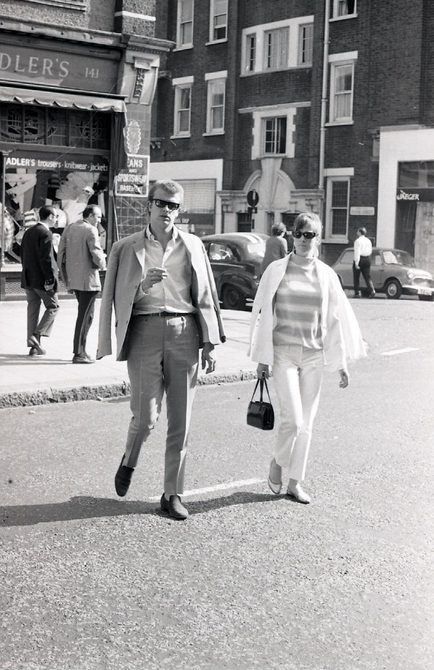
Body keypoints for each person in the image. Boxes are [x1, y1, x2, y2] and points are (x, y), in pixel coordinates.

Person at [97, 179, 226, 520]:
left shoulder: (194, 245)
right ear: (149, 205)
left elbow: (206, 297)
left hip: (185, 331)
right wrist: (141, 287)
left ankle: (172, 494)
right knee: (146, 417)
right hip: (144, 330)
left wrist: (209, 342)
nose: (167, 210)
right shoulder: (125, 248)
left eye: (174, 206)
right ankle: (130, 459)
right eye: (161, 203)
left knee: (180, 422)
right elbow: (112, 298)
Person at [249, 212, 366, 504]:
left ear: (318, 236)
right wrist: (262, 359)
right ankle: (277, 461)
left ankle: (295, 482)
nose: (303, 239)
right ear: (292, 235)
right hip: (283, 353)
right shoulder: (277, 270)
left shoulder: (326, 275)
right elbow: (264, 317)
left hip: (314, 354)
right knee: (294, 419)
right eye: (299, 233)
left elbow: (337, 319)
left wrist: (341, 364)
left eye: (309, 234)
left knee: (307, 423)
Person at [57, 205, 106, 364]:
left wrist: (66, 276)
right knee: (85, 317)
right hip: (89, 280)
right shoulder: (91, 230)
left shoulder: (70, 227)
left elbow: (61, 254)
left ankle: (81, 350)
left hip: (75, 279)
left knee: (85, 315)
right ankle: (79, 352)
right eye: (98, 217)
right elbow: (97, 254)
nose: (99, 220)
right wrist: (103, 264)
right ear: (90, 215)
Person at [20, 205, 60, 357]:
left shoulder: (29, 231)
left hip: (28, 278)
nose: (56, 219)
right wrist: (50, 279)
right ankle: (36, 336)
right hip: (42, 280)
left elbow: (22, 254)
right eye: (55, 216)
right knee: (54, 306)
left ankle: (34, 347)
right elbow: (47, 260)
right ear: (50, 216)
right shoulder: (46, 233)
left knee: (33, 310)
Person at [353, 227, 375, 298]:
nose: (357, 232)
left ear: (359, 232)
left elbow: (357, 252)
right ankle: (372, 290)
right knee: (367, 277)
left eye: (357, 231)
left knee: (356, 277)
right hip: (367, 258)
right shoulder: (368, 241)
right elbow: (370, 251)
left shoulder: (357, 241)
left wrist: (356, 262)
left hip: (360, 259)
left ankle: (357, 293)